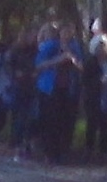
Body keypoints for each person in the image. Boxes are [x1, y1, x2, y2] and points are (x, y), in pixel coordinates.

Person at [35, 23, 83, 164]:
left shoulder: (74, 47)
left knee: (66, 121)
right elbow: (39, 65)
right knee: (50, 121)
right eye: (64, 32)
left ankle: (62, 151)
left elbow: (81, 66)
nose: (67, 35)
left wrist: (72, 60)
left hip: (68, 89)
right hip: (49, 88)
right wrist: (58, 60)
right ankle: (49, 153)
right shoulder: (51, 46)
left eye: (70, 32)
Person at [5, 27, 40, 160]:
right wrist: (15, 74)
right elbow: (8, 66)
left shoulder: (35, 51)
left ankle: (28, 143)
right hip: (20, 87)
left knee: (33, 117)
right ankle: (18, 145)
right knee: (20, 117)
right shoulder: (15, 51)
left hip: (32, 87)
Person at [82, 34, 107, 160]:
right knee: (92, 123)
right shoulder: (90, 62)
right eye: (99, 47)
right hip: (93, 97)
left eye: (104, 47)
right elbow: (85, 80)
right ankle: (89, 149)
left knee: (105, 124)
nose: (102, 50)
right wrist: (99, 82)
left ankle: (103, 150)